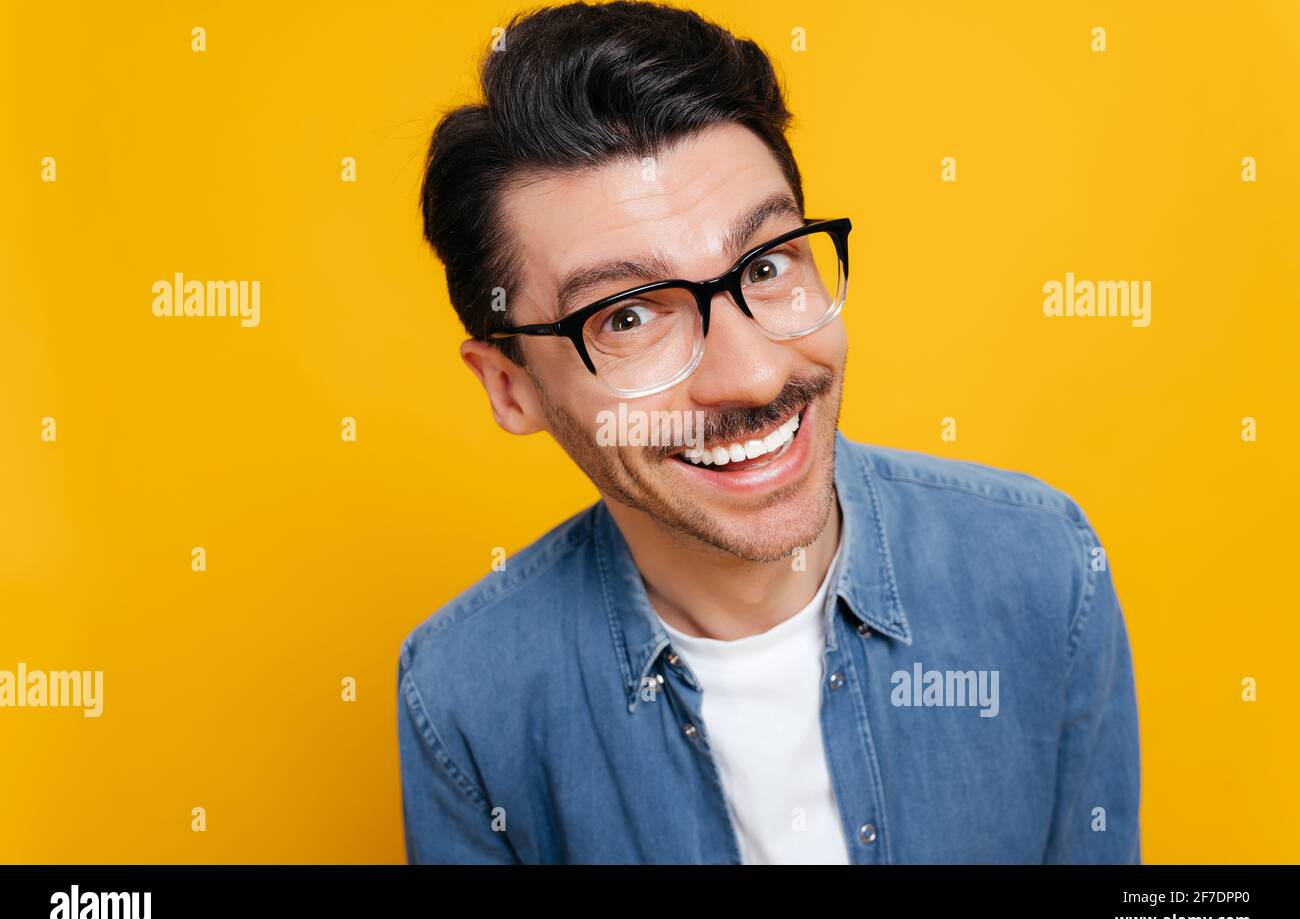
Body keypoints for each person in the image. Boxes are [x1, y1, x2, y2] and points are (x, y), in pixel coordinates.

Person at [398, 0, 1141, 864]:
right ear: (510, 386)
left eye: (767, 263)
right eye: (629, 316)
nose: (754, 374)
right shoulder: (461, 695)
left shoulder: (1045, 566)